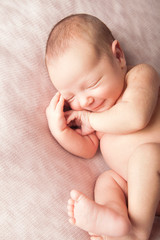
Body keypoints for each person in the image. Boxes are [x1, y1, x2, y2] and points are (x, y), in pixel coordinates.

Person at [45, 14, 160, 240]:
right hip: (149, 196)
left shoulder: (139, 76)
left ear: (117, 57)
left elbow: (136, 117)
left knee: (147, 155)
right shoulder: (93, 114)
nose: (84, 101)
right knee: (107, 181)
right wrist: (60, 131)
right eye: (71, 97)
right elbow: (88, 149)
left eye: (92, 84)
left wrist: (89, 121)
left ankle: (136, 233)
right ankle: (117, 220)